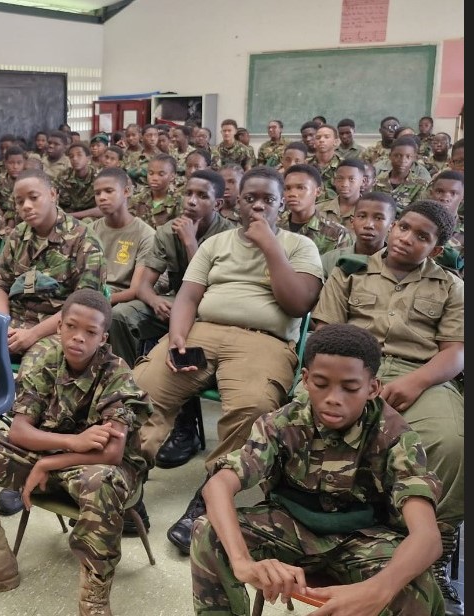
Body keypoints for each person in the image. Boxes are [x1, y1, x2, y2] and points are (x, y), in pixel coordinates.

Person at [190, 323, 445, 616]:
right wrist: (242, 561)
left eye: (350, 388)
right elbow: (218, 486)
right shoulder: (281, 424)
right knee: (209, 532)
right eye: (321, 384)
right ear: (306, 380)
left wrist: (378, 590)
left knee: (417, 586)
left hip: (365, 538)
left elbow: (427, 536)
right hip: (289, 527)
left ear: (373, 388)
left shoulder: (394, 436)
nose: (334, 397)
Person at [132, 165, 323, 556]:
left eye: (267, 200)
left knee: (253, 408)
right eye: (250, 198)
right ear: (236, 202)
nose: (257, 206)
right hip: (203, 331)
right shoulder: (215, 244)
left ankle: (208, 497)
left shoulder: (298, 246)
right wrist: (178, 337)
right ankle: (126, 480)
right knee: (141, 389)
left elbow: (299, 303)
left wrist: (269, 245)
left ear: (280, 205)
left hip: (263, 342)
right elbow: (187, 296)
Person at [0, 289, 151, 615]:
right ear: (59, 325)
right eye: (71, 327)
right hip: (57, 452)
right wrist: (69, 444)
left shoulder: (116, 374)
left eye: (90, 332)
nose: (78, 338)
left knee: (101, 481)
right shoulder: (43, 357)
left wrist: (50, 462)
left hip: (99, 469)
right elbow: (20, 431)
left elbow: (111, 455)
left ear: (103, 338)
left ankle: (93, 598)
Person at [311, 199, 464, 616]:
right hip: (351, 369)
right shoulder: (349, 270)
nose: (407, 239)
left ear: (435, 249)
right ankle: (339, 537)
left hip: (421, 374)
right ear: (393, 226)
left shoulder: (449, 285)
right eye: (404, 228)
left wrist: (415, 382)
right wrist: (355, 384)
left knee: (452, 442)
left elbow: (456, 352)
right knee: (320, 429)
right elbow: (324, 336)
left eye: (422, 237)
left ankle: (435, 550)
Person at [0, 169, 107, 514]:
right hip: (16, 322)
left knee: (37, 364)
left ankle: (25, 463)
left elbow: (83, 305)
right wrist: (1, 325)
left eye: (34, 197)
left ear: (53, 194)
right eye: (19, 201)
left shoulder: (83, 240)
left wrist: (33, 334)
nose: (26, 206)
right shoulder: (17, 236)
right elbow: (0, 284)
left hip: (62, 326)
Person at [109, 170, 235, 473]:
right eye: (188, 193)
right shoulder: (168, 231)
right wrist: (155, 301)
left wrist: (191, 242)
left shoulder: (229, 235)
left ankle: (184, 425)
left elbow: (211, 288)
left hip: (213, 309)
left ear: (217, 204)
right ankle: (133, 395)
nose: (191, 201)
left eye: (202, 196)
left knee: (187, 339)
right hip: (176, 304)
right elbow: (143, 285)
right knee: (120, 316)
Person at [88, 167, 156, 307]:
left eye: (109, 191)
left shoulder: (146, 234)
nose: (102, 197)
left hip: (121, 299)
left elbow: (135, 290)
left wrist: (100, 301)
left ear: (126, 191)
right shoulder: (92, 229)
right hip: (92, 293)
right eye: (97, 193)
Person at [278, 164, 352, 256]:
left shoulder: (338, 234)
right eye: (287, 188)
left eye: (301, 188)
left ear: (317, 192)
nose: (292, 194)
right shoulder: (275, 229)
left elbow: (340, 269)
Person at [320, 191, 397, 278]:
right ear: (352, 221)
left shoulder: (399, 265)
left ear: (392, 226)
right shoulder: (329, 260)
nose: (368, 225)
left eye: (378, 218)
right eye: (362, 216)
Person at [371, 136, 432, 213]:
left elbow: (418, 213)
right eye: (397, 156)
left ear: (415, 158)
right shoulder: (377, 181)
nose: (403, 160)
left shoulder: (421, 185)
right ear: (390, 156)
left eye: (408, 156)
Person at [422, 170, 465, 277]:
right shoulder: (415, 222)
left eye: (453, 193)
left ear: (462, 198)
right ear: (431, 193)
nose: (445, 198)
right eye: (439, 191)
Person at [129, 153, 182, 228]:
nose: (154, 178)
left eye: (161, 174)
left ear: (172, 176)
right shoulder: (137, 199)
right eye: (151, 173)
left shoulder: (179, 201)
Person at [55, 142, 101, 221]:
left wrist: (70, 215)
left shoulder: (99, 177)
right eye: (71, 156)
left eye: (79, 155)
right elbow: (53, 200)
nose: (75, 159)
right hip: (65, 219)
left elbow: (101, 210)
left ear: (88, 158)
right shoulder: (63, 176)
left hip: (91, 218)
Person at [316, 157, 366, 229]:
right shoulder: (319, 209)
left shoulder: (369, 213)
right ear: (334, 180)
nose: (345, 184)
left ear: (363, 181)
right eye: (340, 178)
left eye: (351, 179)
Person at [0, 144, 27, 232]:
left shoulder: (28, 181)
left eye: (19, 163)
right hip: (2, 218)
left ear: (24, 163)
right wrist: (1, 215)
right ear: (5, 163)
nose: (15, 167)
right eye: (11, 163)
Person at [306, 124, 341, 201]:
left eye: (326, 137)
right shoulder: (305, 165)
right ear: (314, 143)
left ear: (336, 142)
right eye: (318, 138)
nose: (321, 140)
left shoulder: (343, 166)